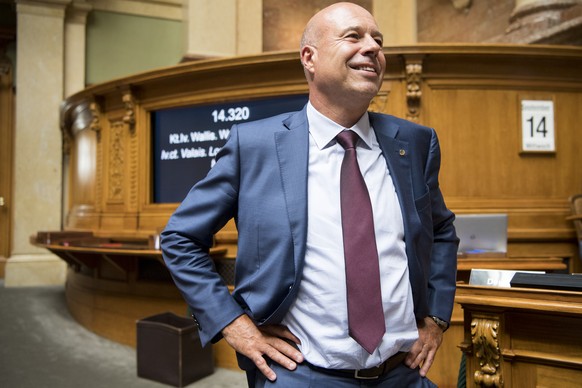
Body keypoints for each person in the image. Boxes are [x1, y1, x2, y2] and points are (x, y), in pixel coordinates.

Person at [161, 2, 458, 387]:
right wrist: (231, 323)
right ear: (309, 58)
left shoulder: (415, 144)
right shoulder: (254, 145)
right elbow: (180, 238)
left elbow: (442, 231)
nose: (372, 48)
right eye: (353, 36)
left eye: (377, 40)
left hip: (403, 373)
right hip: (299, 374)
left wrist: (435, 317)